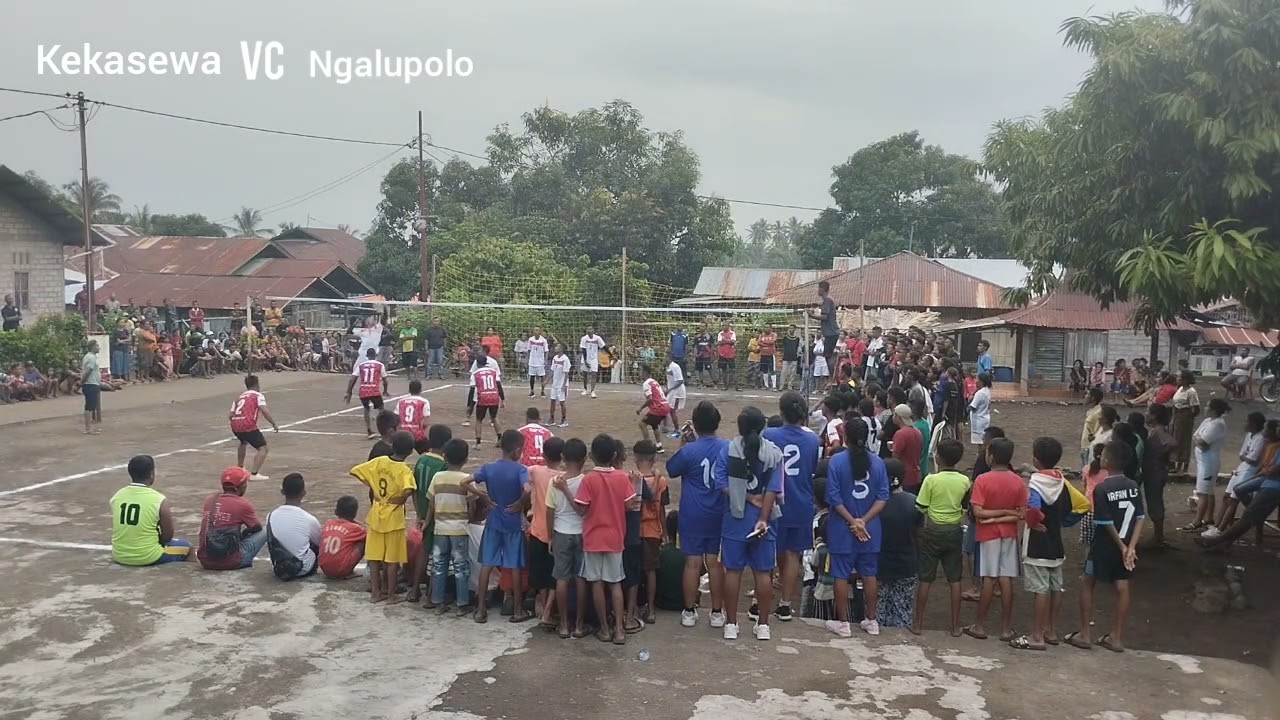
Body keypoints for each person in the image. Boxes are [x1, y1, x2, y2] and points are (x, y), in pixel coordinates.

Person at [1066, 440, 1144, 653]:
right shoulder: (1133, 486)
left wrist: (1120, 546)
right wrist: (1131, 547)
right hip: (1127, 543)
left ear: (1107, 461)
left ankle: (1085, 633)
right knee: (1122, 586)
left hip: (1104, 545)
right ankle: (1116, 637)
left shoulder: (1102, 489)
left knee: (1087, 581)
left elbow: (1105, 522)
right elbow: (1140, 518)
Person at [714, 406, 783, 641]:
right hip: (763, 520)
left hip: (736, 518)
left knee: (732, 571)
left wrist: (744, 496)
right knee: (763, 573)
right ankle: (763, 625)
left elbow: (720, 482)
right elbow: (774, 490)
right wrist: (763, 518)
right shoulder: (774, 453)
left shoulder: (728, 450)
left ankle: (731, 624)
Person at [560, 434, 636, 644]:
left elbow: (582, 509)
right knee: (615, 584)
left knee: (597, 583)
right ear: (613, 455)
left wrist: (566, 491)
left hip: (593, 538)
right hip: (614, 538)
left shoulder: (589, 479)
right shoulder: (622, 477)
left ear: (592, 456)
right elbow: (630, 505)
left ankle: (604, 628)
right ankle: (620, 630)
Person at [666, 400, 729, 629]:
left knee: (692, 563)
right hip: (719, 511)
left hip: (693, 513)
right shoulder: (727, 447)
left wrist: (683, 442)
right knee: (714, 563)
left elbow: (672, 469)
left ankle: (689, 610)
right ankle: (716, 612)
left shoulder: (690, 450)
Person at [1010, 437, 1078, 651]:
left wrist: (1034, 521)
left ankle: (1036, 635)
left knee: (1040, 589)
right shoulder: (1061, 481)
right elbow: (1072, 507)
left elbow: (1034, 507)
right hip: (1056, 542)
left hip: (1037, 543)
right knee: (1055, 586)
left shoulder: (1036, 482)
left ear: (1036, 459)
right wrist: (1059, 522)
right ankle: (1050, 630)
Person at [825, 420, 890, 637]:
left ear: (846, 437)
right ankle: (871, 621)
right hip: (870, 529)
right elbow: (883, 498)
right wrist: (863, 520)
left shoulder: (836, 461)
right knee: (869, 574)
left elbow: (833, 498)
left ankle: (843, 624)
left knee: (841, 574)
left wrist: (853, 521)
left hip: (842, 528)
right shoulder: (879, 463)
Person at [763, 391, 821, 623]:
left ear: (782, 412)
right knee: (793, 554)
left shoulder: (769, 434)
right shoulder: (812, 440)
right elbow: (812, 468)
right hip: (801, 501)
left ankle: (761, 602)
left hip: (774, 501)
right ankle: (785, 604)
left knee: (769, 550)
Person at [464, 430, 532, 623]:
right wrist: (520, 503)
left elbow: (464, 482)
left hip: (493, 521)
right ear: (517, 450)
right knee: (515, 566)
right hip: (512, 523)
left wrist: (484, 497)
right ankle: (518, 610)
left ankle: (480, 609)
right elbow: (528, 489)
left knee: (487, 563)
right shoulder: (520, 470)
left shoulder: (489, 468)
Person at [964, 437, 1027, 642]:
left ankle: (979, 625)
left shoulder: (983, 480)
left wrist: (992, 516)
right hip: (1008, 534)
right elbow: (1021, 513)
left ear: (991, 456)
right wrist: (1007, 513)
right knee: (1006, 578)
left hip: (988, 534)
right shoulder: (1017, 481)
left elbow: (979, 513)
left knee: (989, 578)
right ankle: (1006, 628)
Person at [349, 431, 418, 604]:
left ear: (392, 446)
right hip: (394, 517)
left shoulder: (379, 462)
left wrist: (374, 485)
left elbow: (356, 471)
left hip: (377, 513)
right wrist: (399, 499)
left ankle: (375, 594)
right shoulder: (404, 470)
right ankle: (391, 595)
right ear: (410, 452)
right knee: (392, 560)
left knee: (374, 557)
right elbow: (409, 489)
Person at [911, 438, 970, 636]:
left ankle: (918, 624)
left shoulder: (931, 480)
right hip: (954, 531)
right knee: (955, 579)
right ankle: (955, 626)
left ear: (938, 456)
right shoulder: (964, 481)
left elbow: (920, 507)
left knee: (925, 578)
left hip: (932, 530)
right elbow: (965, 506)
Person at [110, 455, 191, 566]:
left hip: (119, 555)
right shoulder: (159, 499)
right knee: (187, 547)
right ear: (152, 474)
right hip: (148, 556)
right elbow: (168, 535)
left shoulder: (117, 496)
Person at [425, 439, 476, 615]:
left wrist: (427, 521)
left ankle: (438, 603)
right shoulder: (466, 479)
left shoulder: (437, 477)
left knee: (439, 565)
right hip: (459, 529)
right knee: (461, 567)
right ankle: (462, 604)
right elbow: (472, 505)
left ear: (445, 457)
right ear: (465, 459)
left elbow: (431, 502)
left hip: (440, 528)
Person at [546, 438, 589, 638]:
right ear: (584, 459)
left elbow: (549, 512)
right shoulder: (585, 481)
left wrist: (549, 537)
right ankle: (579, 624)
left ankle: (563, 624)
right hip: (581, 533)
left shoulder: (554, 482)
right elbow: (585, 511)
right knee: (580, 578)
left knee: (561, 578)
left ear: (563, 458)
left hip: (561, 532)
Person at [1204, 411, 1267, 539]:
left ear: (1253, 424)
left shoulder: (1260, 439)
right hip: (1242, 468)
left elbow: (1252, 459)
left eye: (1247, 421)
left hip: (1249, 471)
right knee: (1226, 497)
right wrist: (1245, 457)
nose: (1245, 424)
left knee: (1234, 500)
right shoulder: (1249, 435)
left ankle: (1220, 530)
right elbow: (1242, 454)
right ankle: (1217, 525)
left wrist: (1245, 457)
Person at [409, 424, 452, 604]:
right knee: (439, 556)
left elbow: (413, 488)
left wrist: (419, 512)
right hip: (437, 515)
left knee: (425, 551)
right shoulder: (443, 465)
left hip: (423, 512)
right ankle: (431, 594)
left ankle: (415, 589)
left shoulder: (421, 460)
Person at [197, 467, 267, 571]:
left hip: (205, 561)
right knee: (267, 529)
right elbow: (256, 527)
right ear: (242, 486)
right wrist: (245, 533)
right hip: (231, 562)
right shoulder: (243, 504)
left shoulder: (210, 500)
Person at [529, 436, 564, 624]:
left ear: (543, 454)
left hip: (537, 530)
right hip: (556, 532)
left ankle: (544, 606)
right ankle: (548, 610)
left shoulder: (535, 471)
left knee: (540, 574)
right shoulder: (563, 478)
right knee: (554, 574)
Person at [635, 441, 670, 624]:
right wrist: (664, 533)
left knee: (634, 571)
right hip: (653, 531)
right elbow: (662, 510)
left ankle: (632, 607)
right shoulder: (661, 480)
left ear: (635, 458)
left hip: (634, 531)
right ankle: (650, 608)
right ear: (654, 458)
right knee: (651, 571)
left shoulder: (630, 478)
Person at [1183, 398, 1230, 532]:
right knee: (1208, 492)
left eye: (1208, 406)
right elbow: (1196, 436)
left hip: (1209, 463)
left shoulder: (1218, 424)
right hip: (1202, 461)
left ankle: (1197, 521)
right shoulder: (1207, 421)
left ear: (1214, 409)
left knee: (1202, 492)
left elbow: (1203, 444)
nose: (1205, 408)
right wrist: (1199, 440)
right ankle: (1208, 518)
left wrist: (1198, 440)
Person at [266, 473, 322, 580]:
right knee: (316, 539)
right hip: (302, 569)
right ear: (303, 493)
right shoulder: (309, 519)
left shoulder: (270, 515)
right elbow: (320, 543)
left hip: (279, 567)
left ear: (282, 491)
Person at [229, 375, 278, 481]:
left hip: (235, 425)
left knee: (243, 442)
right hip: (248, 425)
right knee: (263, 448)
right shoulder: (257, 395)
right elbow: (264, 410)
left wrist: (237, 423)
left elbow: (230, 415)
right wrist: (273, 423)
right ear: (257, 384)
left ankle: (240, 467)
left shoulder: (239, 397)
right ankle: (254, 474)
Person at [1142, 403, 1177, 548]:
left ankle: (1158, 537)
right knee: (1155, 501)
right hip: (1157, 469)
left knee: (1154, 502)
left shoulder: (1158, 431)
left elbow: (1173, 443)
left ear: (1154, 416)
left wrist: (1159, 454)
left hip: (1155, 471)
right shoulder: (1156, 430)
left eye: (1148, 411)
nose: (1146, 413)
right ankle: (1158, 536)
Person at [319, 496, 367, 580]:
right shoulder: (355, 528)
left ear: (336, 511)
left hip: (325, 570)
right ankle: (349, 571)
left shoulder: (328, 523)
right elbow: (369, 533)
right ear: (355, 513)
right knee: (364, 540)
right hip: (341, 570)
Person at [347, 348, 390, 438]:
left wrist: (349, 392)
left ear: (367, 356)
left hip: (363, 390)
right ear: (375, 355)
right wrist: (385, 390)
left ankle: (369, 430)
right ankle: (382, 430)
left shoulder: (361, 365)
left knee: (366, 409)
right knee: (381, 410)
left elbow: (352, 379)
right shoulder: (379, 365)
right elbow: (385, 380)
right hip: (374, 390)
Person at [471, 353, 505, 448]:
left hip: (483, 397)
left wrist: (470, 405)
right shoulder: (493, 372)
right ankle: (500, 439)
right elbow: (498, 385)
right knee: (494, 417)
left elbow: (472, 390)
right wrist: (502, 398)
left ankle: (478, 443)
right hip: (494, 396)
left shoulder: (475, 374)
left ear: (477, 363)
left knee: (479, 420)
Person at [1171, 369, 1201, 474]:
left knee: (1184, 440)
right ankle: (1177, 463)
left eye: (1179, 377)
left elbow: (1196, 408)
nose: (1177, 379)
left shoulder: (1191, 392)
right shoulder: (1179, 389)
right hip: (1177, 415)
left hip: (1185, 417)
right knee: (1176, 439)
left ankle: (1184, 465)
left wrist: (1188, 417)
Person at [636, 365, 671, 453]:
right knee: (654, 424)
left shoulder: (646, 384)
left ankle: (647, 446)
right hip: (665, 406)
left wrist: (640, 408)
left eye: (641, 371)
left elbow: (650, 399)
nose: (639, 373)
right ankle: (659, 446)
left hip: (658, 408)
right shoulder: (654, 381)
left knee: (642, 423)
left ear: (645, 372)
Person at [891, 404, 923, 491]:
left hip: (904, 475)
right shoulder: (917, 432)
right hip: (915, 474)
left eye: (894, 414)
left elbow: (895, 456)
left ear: (899, 417)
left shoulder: (901, 434)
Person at [813, 280, 839, 387]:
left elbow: (825, 317)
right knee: (828, 356)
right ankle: (833, 379)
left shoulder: (827, 300)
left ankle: (832, 379)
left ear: (823, 289)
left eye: (819, 288)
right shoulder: (827, 300)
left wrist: (811, 315)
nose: (817, 290)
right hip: (830, 332)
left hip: (831, 332)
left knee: (828, 357)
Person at [396, 379, 431, 451]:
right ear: (420, 390)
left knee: (399, 454)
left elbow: (396, 419)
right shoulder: (424, 402)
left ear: (409, 390)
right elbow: (425, 423)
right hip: (417, 434)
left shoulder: (401, 401)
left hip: (403, 434)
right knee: (427, 453)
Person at [663, 352, 688, 439]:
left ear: (669, 358)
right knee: (667, 408)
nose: (663, 359)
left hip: (677, 392)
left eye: (665, 357)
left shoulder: (675, 367)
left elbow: (680, 381)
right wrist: (667, 388)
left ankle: (677, 430)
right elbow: (669, 380)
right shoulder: (668, 367)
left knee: (672, 410)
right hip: (672, 391)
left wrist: (669, 389)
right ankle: (665, 426)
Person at [1080, 387, 1105, 470]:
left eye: (1087, 394)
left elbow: (1097, 432)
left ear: (1093, 398)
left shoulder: (1097, 413)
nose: (1085, 396)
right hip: (1085, 446)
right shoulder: (1092, 411)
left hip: (1089, 448)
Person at [548, 344, 572, 427]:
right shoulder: (555, 358)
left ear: (561, 349)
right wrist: (547, 380)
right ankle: (551, 419)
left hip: (561, 384)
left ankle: (564, 419)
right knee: (552, 401)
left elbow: (566, 373)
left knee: (562, 402)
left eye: (557, 347)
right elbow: (552, 370)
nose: (555, 348)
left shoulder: (565, 359)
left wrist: (564, 385)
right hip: (555, 384)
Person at [82, 339, 102, 435]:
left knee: (90, 406)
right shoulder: (91, 358)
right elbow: (88, 371)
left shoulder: (89, 356)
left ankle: (88, 428)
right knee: (89, 407)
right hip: (91, 384)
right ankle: (88, 429)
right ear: (93, 347)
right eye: (97, 346)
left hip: (91, 383)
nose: (99, 347)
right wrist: (83, 381)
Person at [579, 325, 605, 398]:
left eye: (590, 329)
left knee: (594, 373)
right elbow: (583, 350)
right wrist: (585, 361)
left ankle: (592, 391)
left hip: (594, 359)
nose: (589, 330)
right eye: (588, 329)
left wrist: (610, 353)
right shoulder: (584, 338)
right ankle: (585, 389)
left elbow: (603, 346)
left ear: (593, 330)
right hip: (585, 358)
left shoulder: (597, 338)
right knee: (585, 374)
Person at [967, 372, 993, 445]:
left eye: (977, 379)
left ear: (981, 381)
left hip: (978, 420)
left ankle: (981, 455)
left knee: (980, 442)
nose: (976, 381)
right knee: (983, 440)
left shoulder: (980, 393)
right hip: (985, 418)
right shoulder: (986, 391)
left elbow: (972, 406)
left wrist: (969, 401)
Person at [526, 327, 552, 398]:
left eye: (537, 330)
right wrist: (528, 359)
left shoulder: (543, 340)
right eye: (534, 330)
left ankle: (542, 391)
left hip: (540, 361)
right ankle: (532, 391)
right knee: (532, 376)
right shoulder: (530, 339)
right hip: (532, 361)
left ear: (540, 331)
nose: (535, 331)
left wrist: (545, 360)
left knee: (542, 376)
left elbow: (546, 351)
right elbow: (528, 350)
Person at [716, 322, 739, 391]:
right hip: (722, 354)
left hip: (730, 354)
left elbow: (733, 341)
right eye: (722, 325)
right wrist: (728, 341)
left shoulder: (732, 333)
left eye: (725, 325)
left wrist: (725, 341)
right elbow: (719, 342)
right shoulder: (720, 333)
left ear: (728, 326)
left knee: (733, 370)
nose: (723, 327)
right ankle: (725, 385)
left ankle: (736, 385)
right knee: (724, 370)